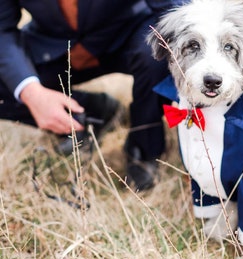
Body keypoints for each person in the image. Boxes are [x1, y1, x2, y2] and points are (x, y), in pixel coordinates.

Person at [0, 0, 188, 191]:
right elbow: (2, 30)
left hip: (129, 29)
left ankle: (145, 147)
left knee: (158, 51)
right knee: (11, 78)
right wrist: (32, 93)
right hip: (57, 44)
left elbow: (176, 8)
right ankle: (89, 115)